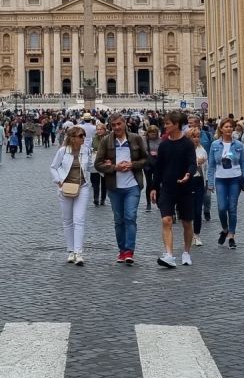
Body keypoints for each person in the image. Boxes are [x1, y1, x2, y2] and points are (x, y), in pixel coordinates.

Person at [95, 115, 148, 265]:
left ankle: (130, 250)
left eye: (119, 124)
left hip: (132, 185)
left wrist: (132, 165)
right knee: (119, 220)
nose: (117, 127)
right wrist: (114, 167)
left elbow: (145, 159)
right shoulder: (106, 141)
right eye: (113, 125)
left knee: (130, 217)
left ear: (125, 123)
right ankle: (122, 250)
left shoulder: (136, 139)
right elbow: (98, 164)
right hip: (114, 186)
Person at [150, 111, 198, 269]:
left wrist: (188, 175)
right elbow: (158, 169)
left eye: (167, 123)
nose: (165, 126)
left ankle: (186, 252)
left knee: (186, 222)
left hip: (185, 187)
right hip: (168, 188)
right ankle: (169, 255)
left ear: (176, 125)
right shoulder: (163, 145)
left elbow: (192, 163)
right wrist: (154, 188)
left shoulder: (188, 144)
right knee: (166, 220)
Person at [51, 125, 95, 265]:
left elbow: (90, 167)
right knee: (68, 220)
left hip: (82, 187)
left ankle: (78, 252)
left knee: (79, 219)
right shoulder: (63, 151)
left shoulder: (86, 150)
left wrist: (104, 166)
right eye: (81, 136)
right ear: (73, 138)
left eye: (84, 135)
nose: (84, 138)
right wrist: (58, 181)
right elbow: (53, 167)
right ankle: (70, 250)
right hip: (65, 188)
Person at [208, 119, 244, 249]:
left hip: (235, 179)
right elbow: (211, 165)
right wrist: (210, 182)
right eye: (226, 127)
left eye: (231, 127)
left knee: (232, 208)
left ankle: (231, 235)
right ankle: (225, 229)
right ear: (221, 129)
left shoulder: (238, 145)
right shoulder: (215, 145)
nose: (229, 129)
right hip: (220, 179)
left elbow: (243, 163)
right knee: (222, 207)